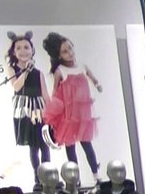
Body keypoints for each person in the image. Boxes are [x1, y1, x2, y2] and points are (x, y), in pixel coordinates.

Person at [41, 32, 101, 181]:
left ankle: (96, 175)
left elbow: (92, 77)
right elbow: (55, 92)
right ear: (59, 55)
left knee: (87, 144)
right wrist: (54, 109)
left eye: (70, 49)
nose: (69, 53)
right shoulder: (60, 71)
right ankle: (75, 178)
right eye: (64, 51)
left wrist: (97, 84)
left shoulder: (82, 66)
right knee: (71, 147)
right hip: (69, 115)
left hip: (83, 114)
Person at [6, 31, 49, 183]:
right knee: (33, 146)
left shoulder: (39, 73)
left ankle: (48, 176)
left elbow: (45, 95)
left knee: (44, 144)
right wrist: (26, 71)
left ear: (32, 50)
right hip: (25, 110)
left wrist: (52, 114)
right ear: (13, 52)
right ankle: (37, 179)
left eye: (26, 47)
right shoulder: (12, 69)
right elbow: (17, 86)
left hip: (39, 110)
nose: (23, 51)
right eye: (18, 48)